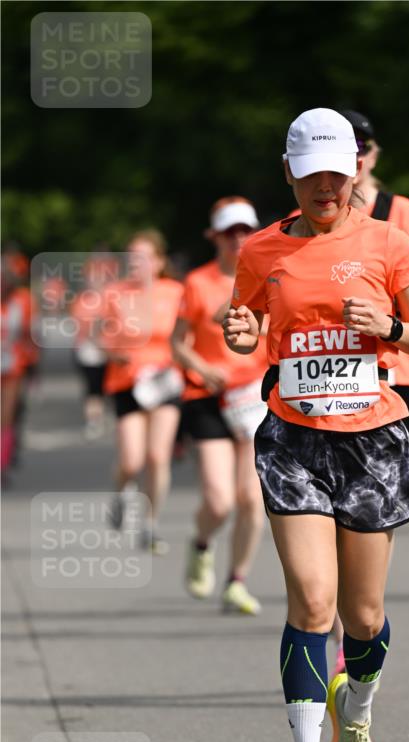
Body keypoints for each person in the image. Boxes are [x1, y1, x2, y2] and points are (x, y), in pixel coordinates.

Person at [223, 108, 409, 742]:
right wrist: (242, 332)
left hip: (373, 439)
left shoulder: (388, 242)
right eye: (309, 173)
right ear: (288, 172)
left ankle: (359, 706)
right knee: (312, 603)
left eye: (335, 174)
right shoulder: (259, 251)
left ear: (354, 173)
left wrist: (392, 330)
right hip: (293, 436)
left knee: (362, 616)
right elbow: (245, 328)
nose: (323, 186)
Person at [171, 198, 266, 614]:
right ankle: (202, 543)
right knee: (219, 500)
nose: (239, 239)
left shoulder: (269, 277)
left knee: (251, 497)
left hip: (254, 395)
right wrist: (202, 368)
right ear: (215, 237)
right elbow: (177, 343)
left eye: (246, 230)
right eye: (230, 232)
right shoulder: (197, 282)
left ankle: (237, 580)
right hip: (207, 398)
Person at [341, 110, 409, 445]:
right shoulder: (301, 219)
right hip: (327, 376)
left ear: (372, 156)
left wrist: (382, 308)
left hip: (397, 374)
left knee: (379, 490)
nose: (352, 157)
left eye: (359, 147)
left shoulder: (403, 212)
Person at [101, 229, 184, 554]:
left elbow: (186, 335)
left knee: (157, 456)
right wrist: (114, 351)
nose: (136, 264)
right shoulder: (115, 294)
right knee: (132, 460)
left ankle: (150, 524)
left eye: (144, 257)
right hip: (127, 382)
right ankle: (121, 493)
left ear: (159, 261)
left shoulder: (175, 292)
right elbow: (100, 338)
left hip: (164, 381)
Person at [70, 254, 117, 440]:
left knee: (109, 387)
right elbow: (84, 328)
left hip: (109, 350)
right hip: (90, 351)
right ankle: (94, 421)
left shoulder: (111, 298)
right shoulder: (81, 301)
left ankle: (108, 417)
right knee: (93, 389)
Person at [1, 255, 36, 478]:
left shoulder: (23, 299)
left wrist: (33, 363)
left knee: (7, 415)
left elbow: (30, 332)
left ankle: (3, 462)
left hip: (13, 365)